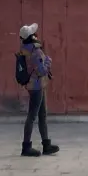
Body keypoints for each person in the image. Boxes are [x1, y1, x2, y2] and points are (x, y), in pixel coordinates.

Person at [18, 23, 60, 158]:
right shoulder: (35, 52)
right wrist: (48, 60)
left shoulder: (25, 48)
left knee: (42, 115)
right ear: (32, 36)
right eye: (34, 33)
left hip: (35, 85)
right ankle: (26, 147)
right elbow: (42, 70)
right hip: (36, 86)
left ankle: (46, 144)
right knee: (32, 116)